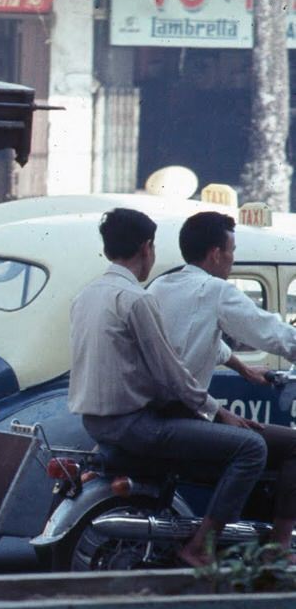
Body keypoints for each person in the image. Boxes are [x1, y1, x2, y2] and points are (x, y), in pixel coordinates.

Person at [69, 208, 265, 567]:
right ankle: (200, 548)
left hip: (96, 423)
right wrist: (218, 412)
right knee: (251, 448)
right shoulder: (136, 299)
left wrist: (235, 364)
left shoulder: (86, 296)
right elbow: (170, 373)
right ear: (147, 248)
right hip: (135, 426)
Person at [148, 210, 296, 553]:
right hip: (182, 414)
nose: (232, 260)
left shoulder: (163, 285)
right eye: (231, 252)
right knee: (290, 445)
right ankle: (277, 549)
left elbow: (193, 339)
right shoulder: (215, 290)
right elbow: (269, 332)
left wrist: (241, 367)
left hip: (157, 411)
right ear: (216, 254)